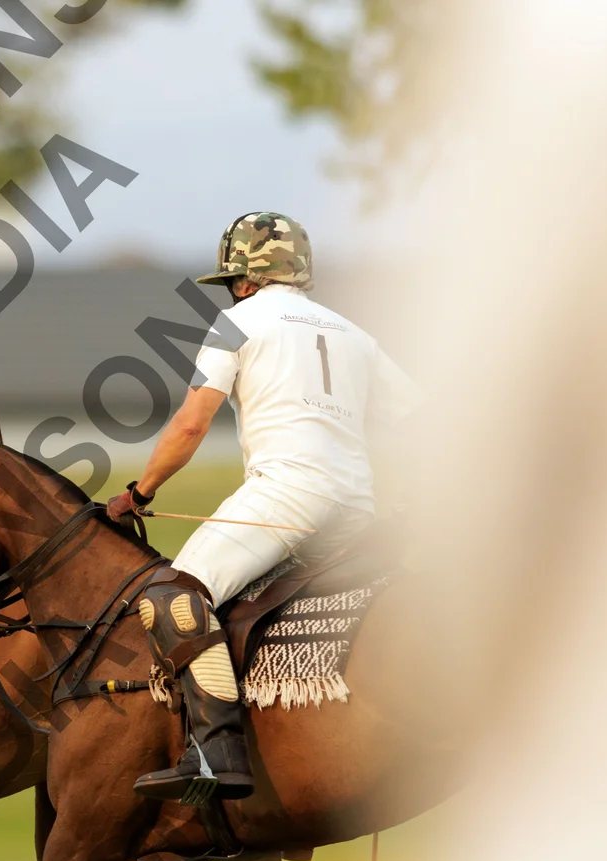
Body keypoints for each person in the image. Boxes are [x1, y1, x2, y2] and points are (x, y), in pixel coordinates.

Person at [106, 211, 419, 804]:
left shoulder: (237, 321)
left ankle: (216, 751)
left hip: (287, 497)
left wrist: (140, 492)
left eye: (232, 281)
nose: (232, 291)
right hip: (357, 508)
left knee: (173, 597)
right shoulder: (355, 334)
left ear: (246, 279)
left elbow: (191, 424)